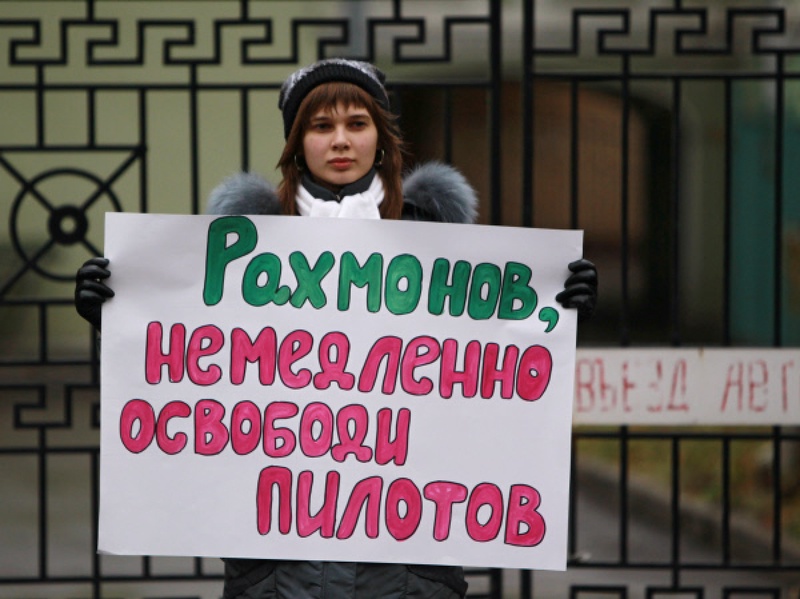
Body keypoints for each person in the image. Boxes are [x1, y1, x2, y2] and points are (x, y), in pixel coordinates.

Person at [75, 58, 597, 599]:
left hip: (408, 567)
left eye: (357, 123)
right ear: (297, 143)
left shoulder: (446, 252)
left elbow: (495, 370)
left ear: (381, 137)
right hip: (278, 567)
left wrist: (561, 310)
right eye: (321, 126)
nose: (340, 141)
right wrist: (116, 314)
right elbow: (188, 360)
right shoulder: (239, 252)